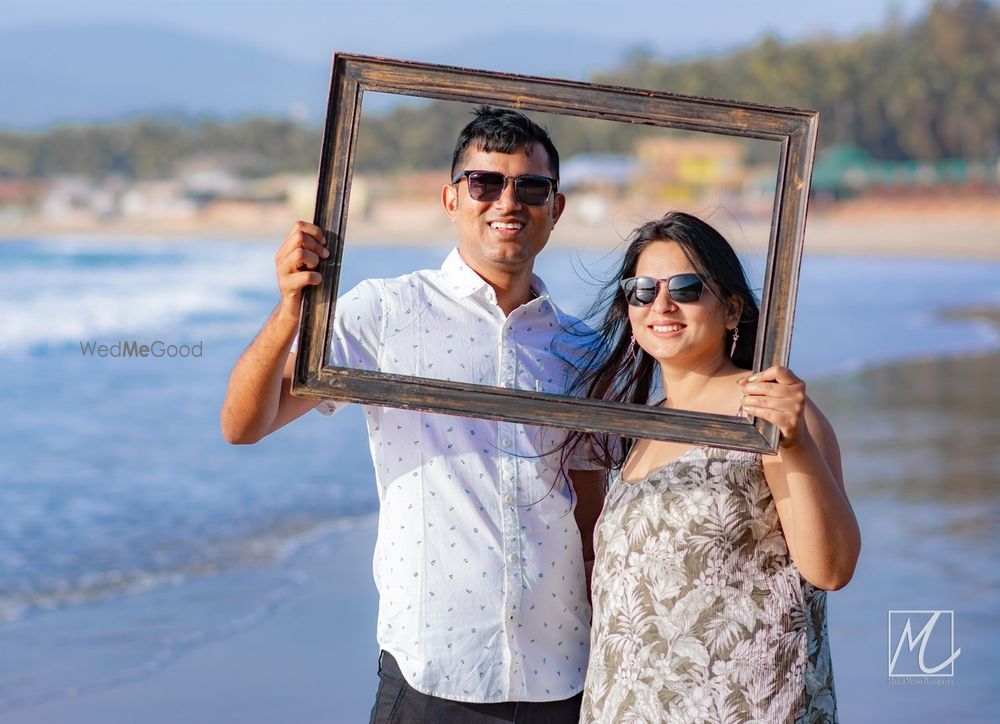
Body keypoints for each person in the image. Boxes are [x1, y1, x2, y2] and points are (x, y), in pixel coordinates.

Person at [220, 107, 605, 724]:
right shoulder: (387, 312)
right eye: (485, 183)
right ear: (451, 199)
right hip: (434, 670)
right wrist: (291, 306)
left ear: (555, 209)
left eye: (531, 187)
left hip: (561, 673)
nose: (508, 202)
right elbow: (243, 424)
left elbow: (588, 507)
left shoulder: (583, 348)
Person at [571, 212, 860, 723]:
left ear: (731, 308)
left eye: (684, 288)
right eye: (640, 290)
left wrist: (789, 443)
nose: (660, 304)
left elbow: (831, 568)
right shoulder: (642, 429)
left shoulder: (769, 410)